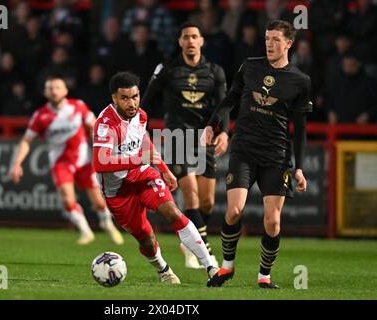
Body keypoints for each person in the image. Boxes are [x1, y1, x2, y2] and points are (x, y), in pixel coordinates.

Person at [203, 20, 311, 289]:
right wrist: (213, 124)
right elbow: (230, 99)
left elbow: (299, 129)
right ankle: (227, 267)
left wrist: (299, 166)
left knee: (272, 222)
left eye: (276, 39)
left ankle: (264, 275)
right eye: (267, 38)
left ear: (288, 43)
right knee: (233, 211)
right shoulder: (249, 66)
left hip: (276, 157)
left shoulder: (301, 81)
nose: (270, 44)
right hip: (244, 150)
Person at [92, 71, 219, 284]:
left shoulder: (140, 115)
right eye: (125, 98)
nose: (132, 103)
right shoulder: (106, 124)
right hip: (118, 193)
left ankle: (212, 268)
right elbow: (100, 163)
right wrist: (139, 159)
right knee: (147, 239)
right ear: (114, 98)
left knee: (173, 212)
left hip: (141, 175)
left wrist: (164, 169)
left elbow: (144, 143)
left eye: (135, 96)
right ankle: (164, 270)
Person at [141, 22, 227, 269]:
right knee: (189, 192)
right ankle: (205, 253)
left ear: (202, 41)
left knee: (207, 201)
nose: (190, 41)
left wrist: (224, 133)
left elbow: (224, 105)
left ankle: (189, 242)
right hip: (177, 136)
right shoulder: (168, 69)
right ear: (180, 42)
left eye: (194, 37)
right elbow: (147, 101)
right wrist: (139, 129)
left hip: (204, 139)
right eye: (186, 37)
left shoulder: (214, 71)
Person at [10, 76, 124, 246]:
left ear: (65, 90)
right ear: (45, 92)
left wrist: (104, 150)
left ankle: (106, 223)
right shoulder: (41, 116)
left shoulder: (78, 106)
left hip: (84, 161)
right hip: (60, 163)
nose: (54, 91)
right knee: (67, 198)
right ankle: (85, 231)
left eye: (57, 87)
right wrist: (17, 163)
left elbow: (94, 127)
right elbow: (27, 140)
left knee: (99, 201)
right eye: (50, 88)